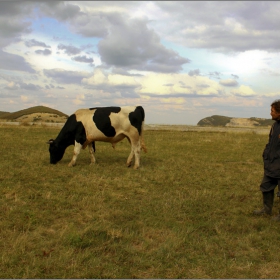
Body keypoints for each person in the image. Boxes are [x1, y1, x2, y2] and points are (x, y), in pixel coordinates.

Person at [254, 100, 280, 221]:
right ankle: (266, 209)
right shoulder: (275, 126)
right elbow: (271, 143)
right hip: (271, 164)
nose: (270, 113)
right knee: (266, 186)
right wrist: (266, 154)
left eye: (273, 111)